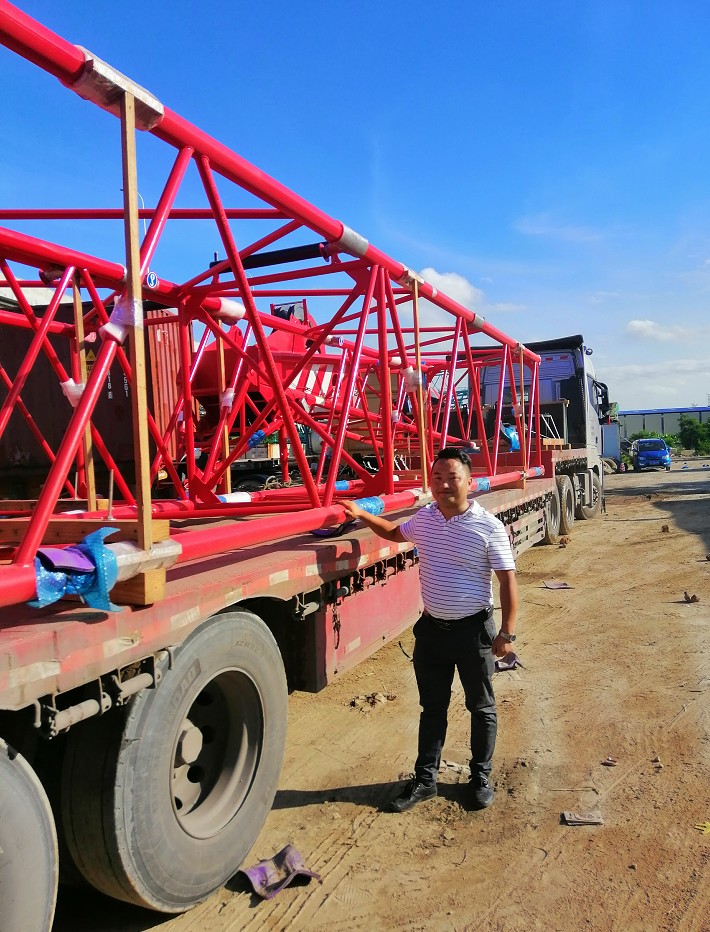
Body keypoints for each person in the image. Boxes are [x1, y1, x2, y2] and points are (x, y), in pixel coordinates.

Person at [342, 447, 518, 812]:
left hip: (474, 633)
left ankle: (480, 778)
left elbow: (507, 582)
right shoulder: (425, 519)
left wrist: (506, 633)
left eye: (452, 477)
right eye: (437, 478)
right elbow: (393, 532)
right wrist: (360, 515)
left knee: (481, 706)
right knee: (432, 708)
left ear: (470, 483)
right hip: (432, 633)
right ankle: (425, 781)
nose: (443, 485)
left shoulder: (489, 527)